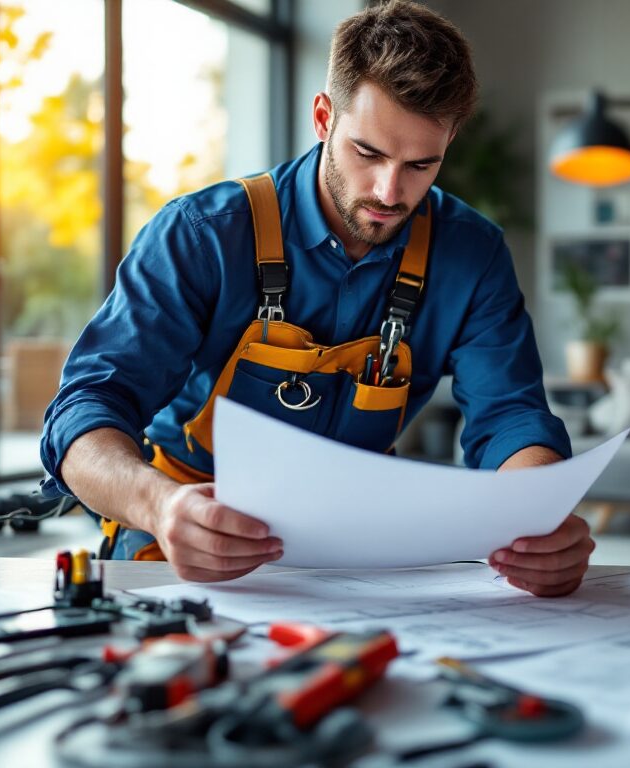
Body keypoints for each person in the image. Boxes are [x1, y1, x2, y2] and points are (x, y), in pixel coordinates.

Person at [40, 0, 593, 597]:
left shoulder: (472, 254)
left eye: (421, 164)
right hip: (182, 547)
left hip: (358, 553)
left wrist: (536, 518)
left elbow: (510, 415)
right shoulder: (201, 234)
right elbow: (85, 410)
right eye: (369, 153)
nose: (389, 191)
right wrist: (159, 506)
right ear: (324, 116)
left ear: (451, 139)